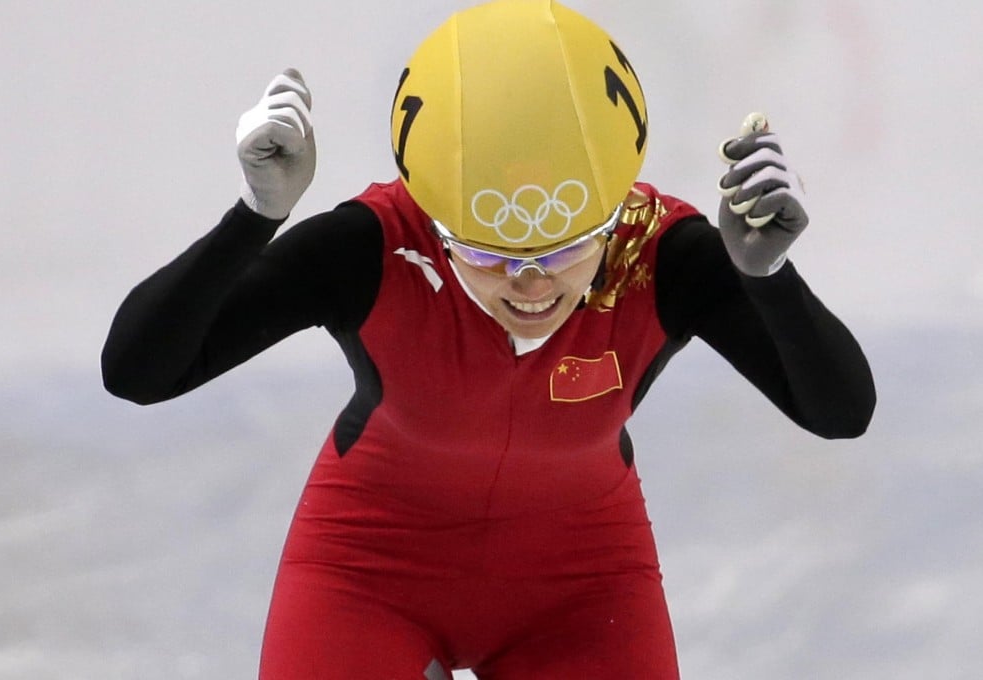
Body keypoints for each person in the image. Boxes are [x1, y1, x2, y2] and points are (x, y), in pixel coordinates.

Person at [101, 1, 875, 678]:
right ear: (433, 222)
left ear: (615, 213)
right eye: (487, 253)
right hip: (369, 573)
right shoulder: (373, 247)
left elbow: (840, 410)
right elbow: (138, 370)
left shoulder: (662, 254)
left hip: (581, 588)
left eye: (569, 247)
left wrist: (768, 276)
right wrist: (256, 216)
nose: (531, 285)